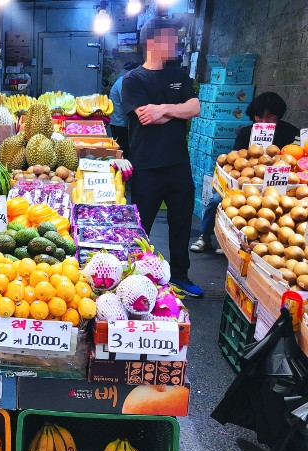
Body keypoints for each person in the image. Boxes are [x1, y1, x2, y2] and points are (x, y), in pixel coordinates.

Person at [122, 17, 203, 297]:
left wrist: (164, 109)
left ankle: (180, 275)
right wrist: (173, 110)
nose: (176, 43)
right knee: (141, 228)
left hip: (179, 164)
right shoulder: (133, 80)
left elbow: (194, 107)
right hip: (147, 166)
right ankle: (135, 277)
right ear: (154, 42)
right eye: (172, 38)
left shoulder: (179, 76)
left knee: (181, 224)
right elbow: (146, 117)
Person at [190, 92, 300, 254]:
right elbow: (235, 158)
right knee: (216, 199)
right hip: (245, 182)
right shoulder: (246, 132)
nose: (264, 122)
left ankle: (240, 243)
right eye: (259, 117)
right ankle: (204, 236)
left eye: (270, 117)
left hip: (279, 184)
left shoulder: (291, 132)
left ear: (279, 115)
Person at [108, 63, 139, 158]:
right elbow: (127, 103)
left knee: (124, 146)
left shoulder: (124, 81)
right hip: (118, 122)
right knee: (122, 147)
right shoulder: (123, 83)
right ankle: (123, 169)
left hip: (121, 121)